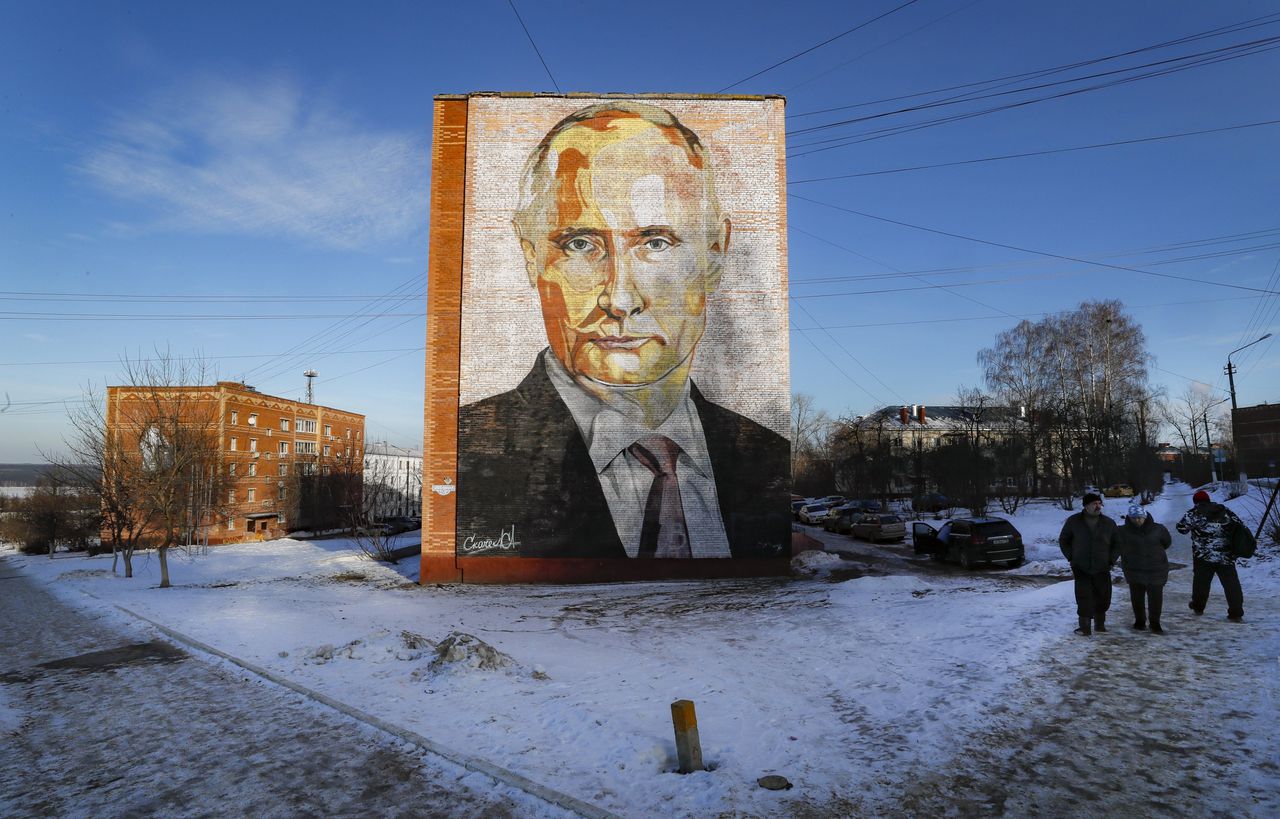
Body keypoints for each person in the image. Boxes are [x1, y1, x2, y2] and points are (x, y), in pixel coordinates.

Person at [457, 102, 790, 559]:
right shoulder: (469, 455)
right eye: (580, 244)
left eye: (656, 242)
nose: (619, 299)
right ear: (531, 253)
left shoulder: (765, 456)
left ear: (715, 253)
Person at [1176, 489, 1246, 621]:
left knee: (1201, 583)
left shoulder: (1194, 513)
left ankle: (1198, 606)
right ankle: (1236, 611)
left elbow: (1181, 528)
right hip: (1226, 555)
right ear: (1208, 500)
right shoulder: (1224, 510)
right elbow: (1239, 525)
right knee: (1231, 584)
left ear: (1195, 502)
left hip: (1203, 556)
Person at [1058, 492, 1120, 635]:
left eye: (1099, 503)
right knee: (1083, 596)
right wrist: (1071, 557)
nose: (1098, 506)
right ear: (1086, 506)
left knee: (1103, 596)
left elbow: (1118, 543)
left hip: (1102, 566)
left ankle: (1100, 624)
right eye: (1094, 504)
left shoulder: (1109, 523)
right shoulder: (1074, 521)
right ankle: (1084, 627)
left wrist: (1111, 559)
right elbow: (1064, 540)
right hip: (1081, 566)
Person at [1115, 501, 1172, 633]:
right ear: (1129, 518)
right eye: (1134, 518)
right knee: (1137, 599)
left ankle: (1155, 623)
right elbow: (1115, 545)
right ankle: (1140, 621)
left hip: (1157, 569)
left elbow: (1166, 543)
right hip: (1134, 570)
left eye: (1140, 517)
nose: (1138, 520)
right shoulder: (1122, 531)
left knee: (1156, 599)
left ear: (1145, 516)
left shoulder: (1159, 529)